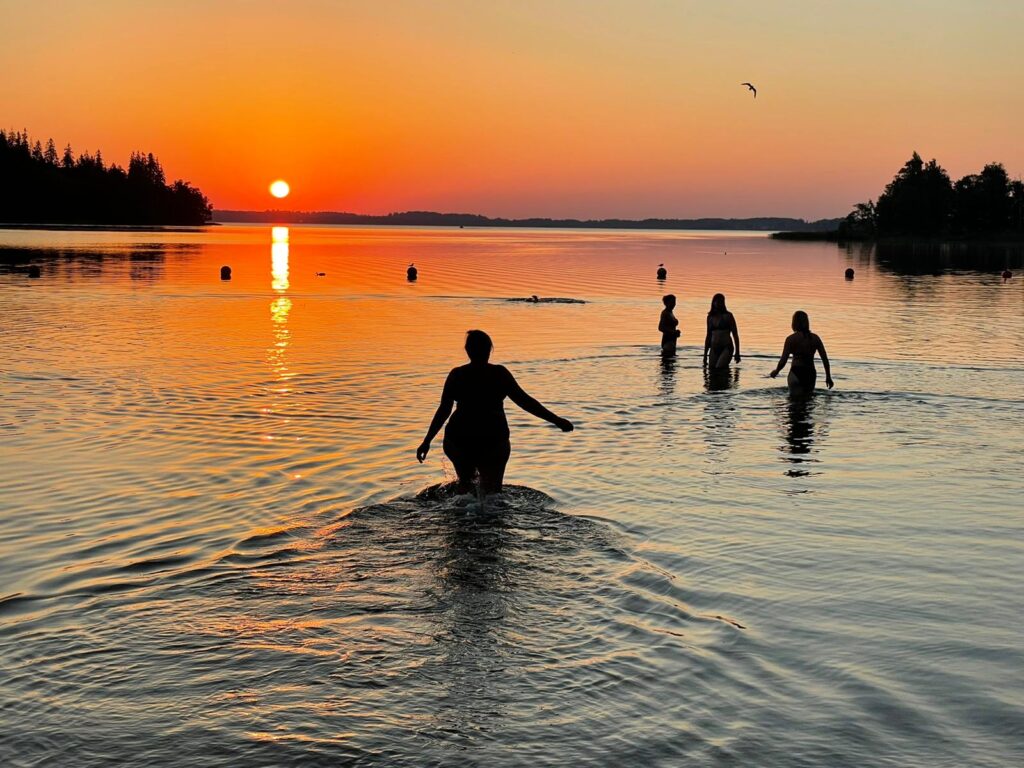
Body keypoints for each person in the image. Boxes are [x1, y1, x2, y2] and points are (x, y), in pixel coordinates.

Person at [417, 330, 573, 495]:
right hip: (492, 438)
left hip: (460, 438)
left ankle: (462, 514)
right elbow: (525, 402)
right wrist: (556, 420)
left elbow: (444, 410)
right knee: (493, 492)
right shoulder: (499, 374)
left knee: (466, 485)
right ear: (489, 350)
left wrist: (427, 441)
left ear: (467, 350)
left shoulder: (457, 375)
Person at [769, 311, 834, 396]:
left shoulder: (791, 339)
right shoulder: (815, 338)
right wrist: (828, 376)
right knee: (808, 402)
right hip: (810, 373)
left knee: (793, 403)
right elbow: (824, 359)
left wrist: (776, 371)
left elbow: (783, 360)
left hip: (796, 372)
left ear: (794, 323)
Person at [703, 293, 741, 369]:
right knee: (712, 370)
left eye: (720, 302)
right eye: (716, 301)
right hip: (714, 348)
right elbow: (708, 336)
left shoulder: (728, 316)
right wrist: (705, 355)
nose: (718, 304)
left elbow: (735, 334)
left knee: (719, 368)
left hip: (726, 347)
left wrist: (737, 352)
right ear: (713, 303)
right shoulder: (710, 317)